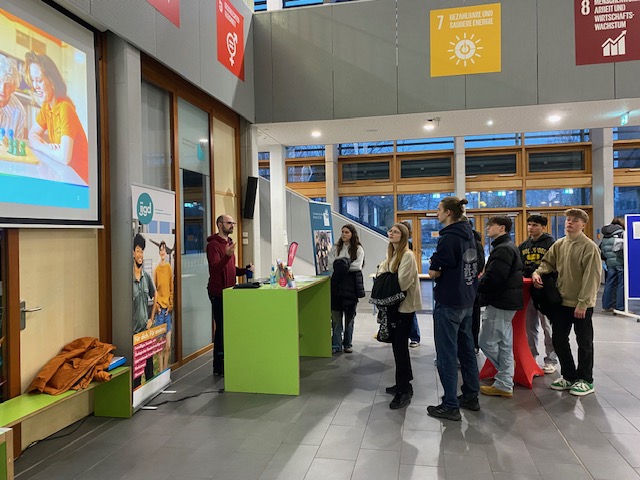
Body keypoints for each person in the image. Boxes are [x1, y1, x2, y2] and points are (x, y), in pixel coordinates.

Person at [533, 208, 602, 396]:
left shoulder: (589, 247)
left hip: (581, 305)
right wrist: (537, 273)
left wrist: (583, 303)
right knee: (559, 339)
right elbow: (547, 263)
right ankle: (569, 376)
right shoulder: (560, 244)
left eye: (575, 220)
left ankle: (586, 380)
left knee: (584, 342)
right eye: (568, 219)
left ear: (583, 225)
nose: (570, 222)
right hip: (561, 303)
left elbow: (592, 278)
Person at [427, 197, 481, 421]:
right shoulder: (471, 235)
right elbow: (478, 264)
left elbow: (434, 270)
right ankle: (471, 396)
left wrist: (436, 267)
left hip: (449, 301)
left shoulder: (448, 237)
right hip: (467, 300)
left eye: (439, 209)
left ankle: (450, 405)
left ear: (448, 212)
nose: (437, 213)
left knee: (446, 354)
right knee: (467, 351)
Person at [25, 52, 89, 184]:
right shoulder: (46, 107)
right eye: (33, 81)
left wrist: (42, 146)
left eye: (39, 80)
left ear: (52, 81)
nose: (35, 86)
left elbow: (64, 157)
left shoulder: (65, 108)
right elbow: (32, 135)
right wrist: (48, 147)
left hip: (81, 182)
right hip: (66, 175)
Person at [478, 216, 523, 398]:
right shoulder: (507, 247)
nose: (487, 228)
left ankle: (506, 374)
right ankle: (504, 383)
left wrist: (477, 286)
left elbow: (494, 279)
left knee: (486, 341)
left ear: (502, 228)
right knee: (504, 343)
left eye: (491, 225)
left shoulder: (503, 249)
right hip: (507, 302)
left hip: (500, 302)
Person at [379, 223, 422, 409]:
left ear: (403, 236)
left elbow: (403, 283)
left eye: (395, 232)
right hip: (394, 306)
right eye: (390, 231)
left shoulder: (407, 255)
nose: (391, 233)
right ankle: (403, 383)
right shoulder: (392, 253)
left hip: (404, 308)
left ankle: (403, 390)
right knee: (397, 348)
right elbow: (380, 272)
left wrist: (387, 277)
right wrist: (389, 275)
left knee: (401, 348)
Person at [207, 214, 253, 376]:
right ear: (220, 225)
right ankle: (218, 367)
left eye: (233, 223)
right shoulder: (213, 245)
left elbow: (231, 269)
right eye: (229, 223)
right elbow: (215, 269)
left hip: (230, 293)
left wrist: (245, 270)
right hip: (218, 293)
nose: (232, 225)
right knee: (221, 329)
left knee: (229, 328)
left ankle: (230, 361)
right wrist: (227, 255)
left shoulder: (229, 243)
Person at [518, 215, 557, 373]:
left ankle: (551, 359)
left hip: (545, 290)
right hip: (528, 290)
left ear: (543, 227)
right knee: (530, 326)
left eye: (535, 225)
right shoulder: (524, 245)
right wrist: (529, 270)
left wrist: (537, 271)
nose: (531, 228)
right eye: (529, 224)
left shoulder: (551, 244)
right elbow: (520, 265)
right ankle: (531, 356)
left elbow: (552, 265)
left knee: (547, 326)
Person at [328, 224, 365, 353]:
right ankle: (336, 344)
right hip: (336, 286)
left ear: (352, 234)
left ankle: (348, 343)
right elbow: (330, 264)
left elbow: (357, 266)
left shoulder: (358, 249)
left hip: (351, 287)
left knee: (349, 318)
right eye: (342, 232)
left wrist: (342, 266)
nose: (344, 234)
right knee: (336, 317)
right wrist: (344, 265)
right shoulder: (335, 248)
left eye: (347, 232)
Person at [133, 233, 156, 387]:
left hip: (145, 333)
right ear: (132, 253)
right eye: (138, 251)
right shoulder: (127, 278)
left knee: (149, 373)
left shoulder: (146, 276)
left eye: (142, 251)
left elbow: (155, 296)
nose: (140, 255)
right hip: (133, 335)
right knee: (136, 377)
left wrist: (151, 319)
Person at [154, 241, 174, 372]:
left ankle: (166, 370)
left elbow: (171, 288)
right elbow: (154, 290)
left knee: (168, 346)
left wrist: (170, 305)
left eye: (164, 250)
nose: (163, 252)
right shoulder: (156, 270)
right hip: (160, 311)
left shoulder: (168, 268)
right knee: (159, 347)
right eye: (161, 250)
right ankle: (160, 372)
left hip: (168, 311)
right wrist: (157, 306)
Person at [400, 221, 421, 348]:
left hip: (407, 286)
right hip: (399, 287)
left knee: (410, 312)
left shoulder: (408, 251)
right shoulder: (394, 248)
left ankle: (414, 337)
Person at [600, 217, 625, 313]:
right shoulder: (621, 234)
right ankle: (620, 307)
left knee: (609, 283)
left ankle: (606, 306)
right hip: (620, 262)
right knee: (621, 284)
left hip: (609, 263)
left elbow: (601, 249)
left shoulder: (606, 235)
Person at [0, 54, 27, 139]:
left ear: (13, 88)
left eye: (8, 85)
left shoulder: (19, 112)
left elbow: (17, 143)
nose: (2, 89)